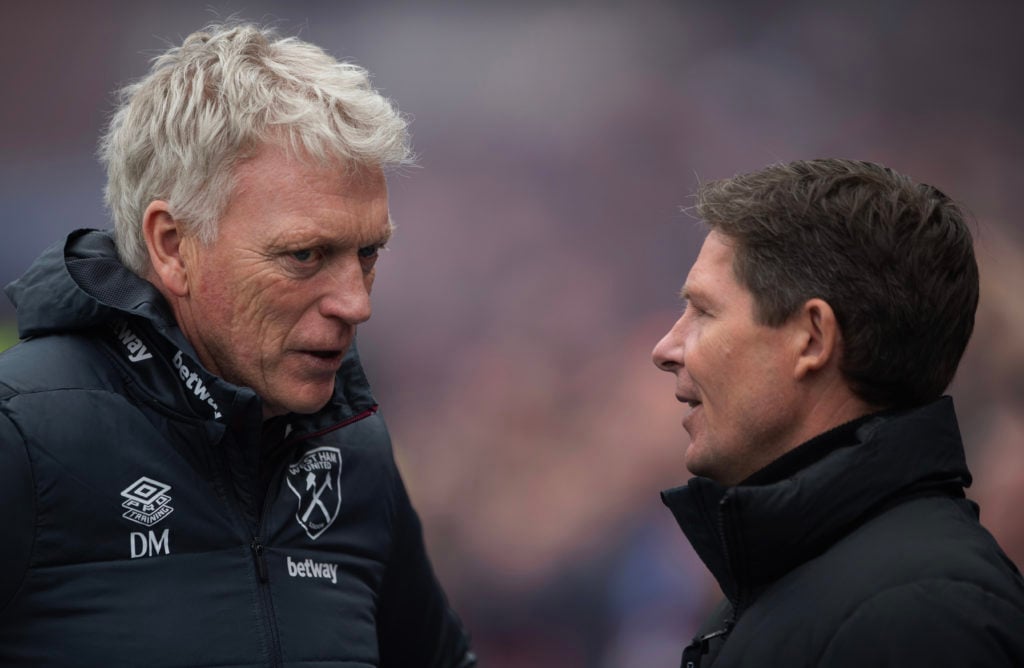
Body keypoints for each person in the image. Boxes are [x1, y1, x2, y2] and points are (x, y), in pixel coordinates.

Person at [0, 23, 476, 667]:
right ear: (172, 245)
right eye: (305, 254)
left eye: (368, 253)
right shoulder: (21, 436)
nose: (358, 303)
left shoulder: (352, 444)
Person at [651, 159, 1024, 667]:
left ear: (813, 338)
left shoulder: (921, 615)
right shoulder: (795, 577)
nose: (666, 349)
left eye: (704, 311)